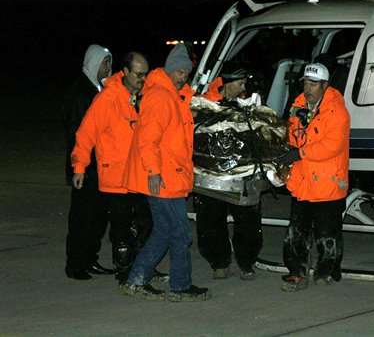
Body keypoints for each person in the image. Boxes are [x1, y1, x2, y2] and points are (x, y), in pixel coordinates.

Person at [120, 43, 210, 302]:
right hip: (162, 178)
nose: (182, 76)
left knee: (165, 231)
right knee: (179, 232)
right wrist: (153, 172)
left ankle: (136, 280)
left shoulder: (174, 96)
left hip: (172, 175)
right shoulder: (161, 96)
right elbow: (148, 140)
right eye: (178, 71)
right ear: (169, 70)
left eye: (186, 72)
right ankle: (179, 286)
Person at [71, 52, 150, 285]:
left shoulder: (141, 97)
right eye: (138, 74)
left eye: (145, 74)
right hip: (115, 178)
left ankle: (141, 269)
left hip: (139, 176)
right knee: (122, 232)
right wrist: (79, 166)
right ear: (125, 72)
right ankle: (127, 278)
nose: (142, 79)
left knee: (146, 225)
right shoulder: (108, 99)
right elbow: (85, 134)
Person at [276, 63, 350, 292]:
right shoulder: (297, 107)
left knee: (327, 234)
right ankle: (296, 272)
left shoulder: (338, 111)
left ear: (325, 86)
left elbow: (332, 146)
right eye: (306, 83)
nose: (308, 89)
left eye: (313, 84)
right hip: (302, 182)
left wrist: (299, 153)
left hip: (327, 184)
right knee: (296, 232)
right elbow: (290, 135)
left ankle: (327, 270)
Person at [194, 63, 263, 281]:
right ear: (227, 82)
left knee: (248, 220)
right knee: (211, 219)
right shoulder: (205, 103)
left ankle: (246, 262)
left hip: (241, 175)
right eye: (240, 83)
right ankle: (219, 262)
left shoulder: (246, 104)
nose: (244, 88)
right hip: (211, 176)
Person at [63, 44, 114, 280]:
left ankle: (90, 259)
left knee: (98, 218)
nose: (109, 67)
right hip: (86, 167)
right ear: (94, 63)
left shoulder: (103, 89)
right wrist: (79, 166)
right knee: (82, 218)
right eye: (105, 62)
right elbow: (75, 132)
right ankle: (75, 265)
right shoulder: (79, 92)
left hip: (102, 166)